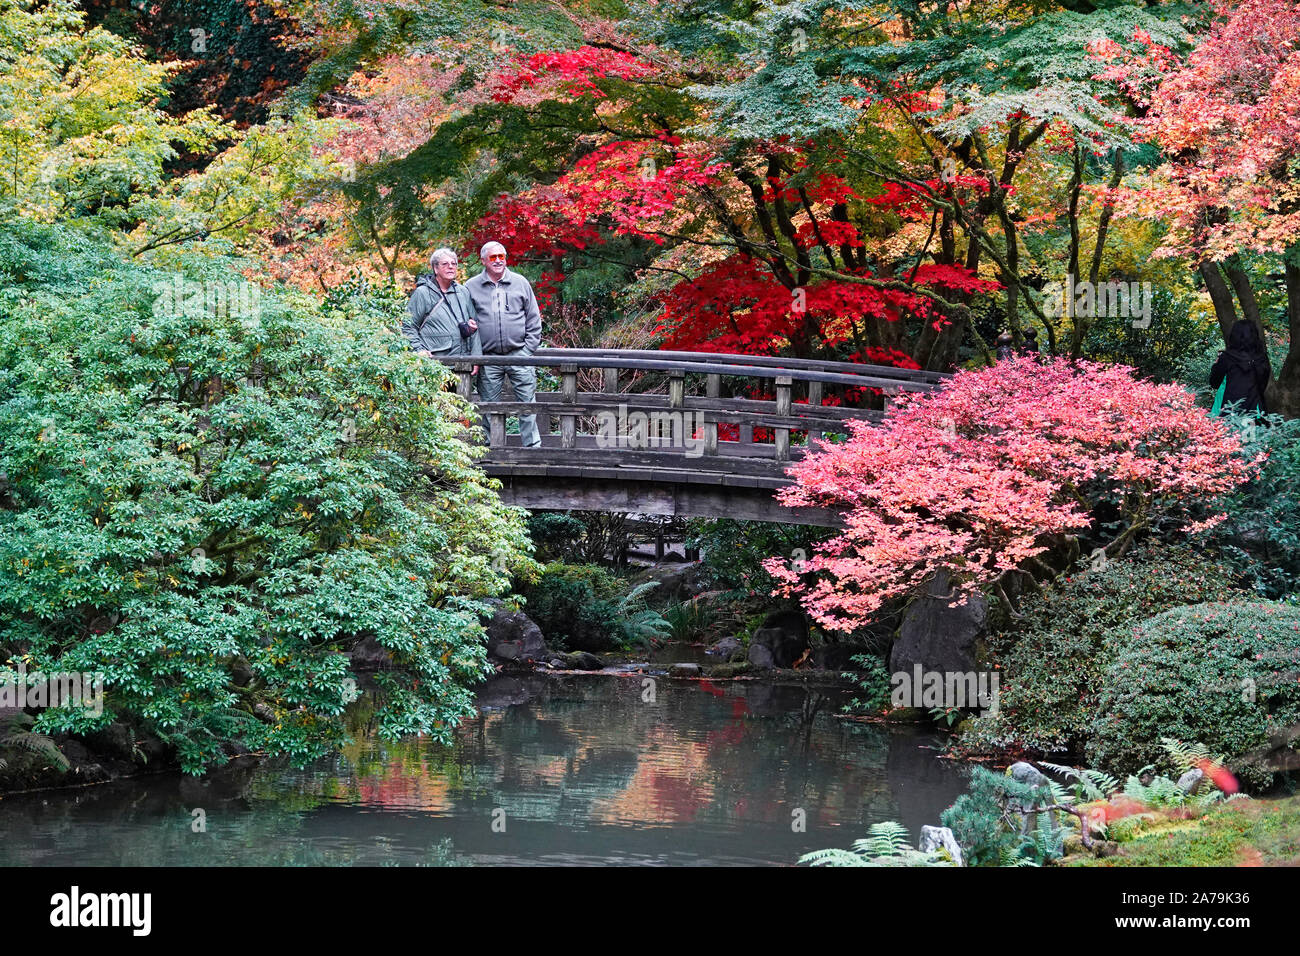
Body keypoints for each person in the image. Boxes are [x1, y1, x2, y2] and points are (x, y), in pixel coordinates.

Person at [465, 241, 543, 448]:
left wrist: (527, 350)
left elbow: (534, 319)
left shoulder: (520, 282)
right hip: (488, 357)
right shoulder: (470, 286)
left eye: (502, 256)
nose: (498, 260)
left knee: (527, 404)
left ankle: (532, 449)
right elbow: (465, 322)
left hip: (519, 353)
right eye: (493, 257)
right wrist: (476, 355)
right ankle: (491, 449)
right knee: (489, 406)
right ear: (483, 261)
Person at [403, 248, 481, 360]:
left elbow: (475, 326)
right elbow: (408, 327)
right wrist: (419, 350)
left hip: (464, 362)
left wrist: (476, 358)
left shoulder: (463, 292)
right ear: (435, 268)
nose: (450, 267)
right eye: (445, 264)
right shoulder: (423, 293)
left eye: (453, 264)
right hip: (436, 364)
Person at [1210, 319, 1271, 414]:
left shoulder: (1226, 358)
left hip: (1226, 411)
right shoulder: (1262, 359)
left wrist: (1215, 365)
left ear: (1234, 335)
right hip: (1254, 411)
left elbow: (1214, 383)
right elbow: (1262, 385)